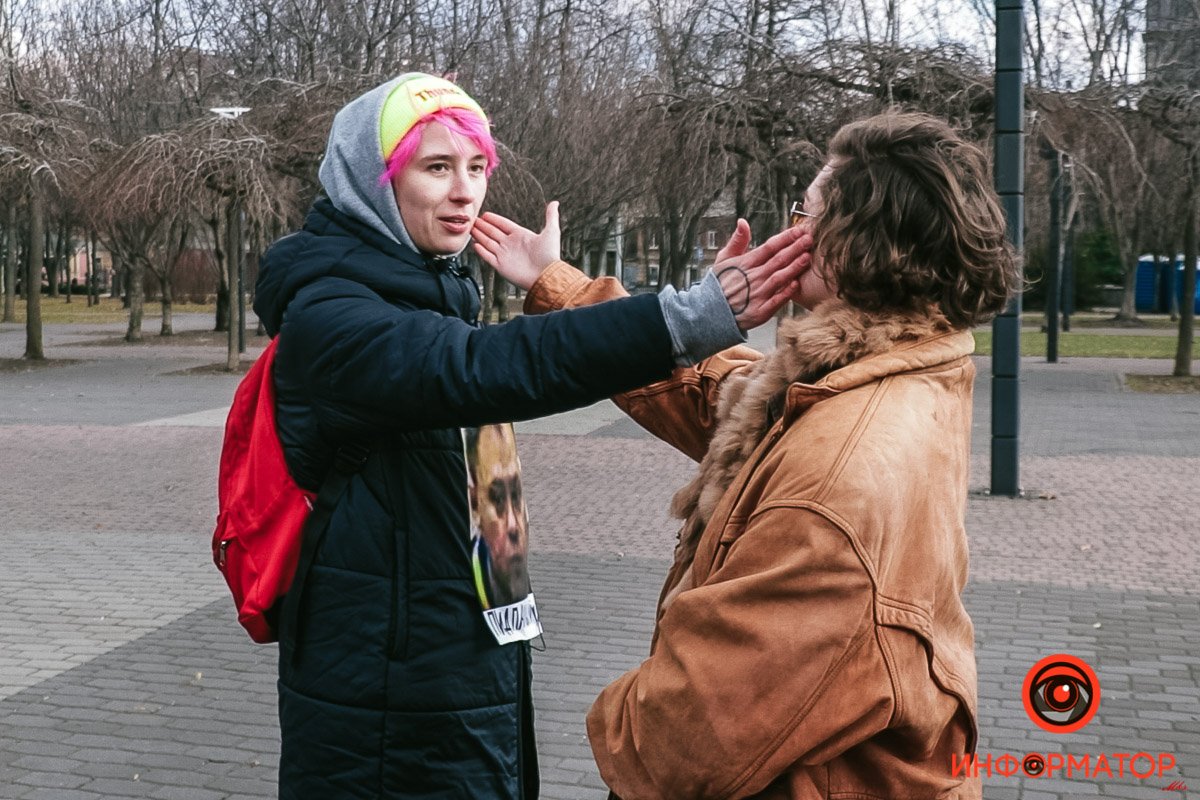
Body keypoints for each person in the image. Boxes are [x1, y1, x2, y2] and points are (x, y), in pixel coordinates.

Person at [251, 72, 812, 799]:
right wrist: (680, 319)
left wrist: (550, 277)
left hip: (449, 659)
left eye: (477, 168)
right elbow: (489, 369)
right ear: (371, 181)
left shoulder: (426, 287)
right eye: (436, 167)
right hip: (386, 701)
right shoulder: (333, 314)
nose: (465, 192)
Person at [473, 110, 1019, 799]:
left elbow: (688, 736)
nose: (788, 231)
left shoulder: (837, 476)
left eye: (806, 214)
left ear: (857, 246)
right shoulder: (895, 365)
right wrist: (562, 286)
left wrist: (605, 722)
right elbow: (727, 394)